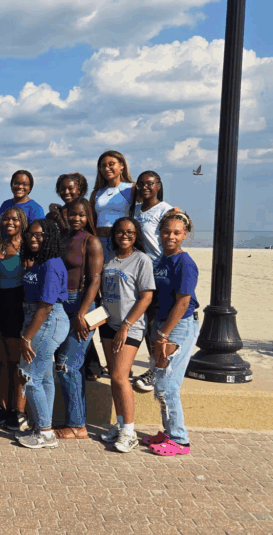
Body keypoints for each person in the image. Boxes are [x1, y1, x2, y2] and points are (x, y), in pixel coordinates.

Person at [142, 212, 199, 457]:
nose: (171, 236)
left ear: (185, 235)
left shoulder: (185, 263)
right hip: (163, 325)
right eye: (166, 231)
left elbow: (183, 302)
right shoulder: (163, 260)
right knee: (161, 383)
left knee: (168, 385)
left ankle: (179, 440)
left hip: (178, 327)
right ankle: (168, 433)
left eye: (177, 232)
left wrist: (163, 334)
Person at [97, 217, 155, 453]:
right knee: (114, 377)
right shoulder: (109, 258)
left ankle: (130, 433)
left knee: (121, 377)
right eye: (120, 232)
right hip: (108, 324)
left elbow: (146, 297)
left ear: (136, 234)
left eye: (130, 232)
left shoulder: (141, 260)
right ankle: (120, 425)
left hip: (130, 327)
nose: (125, 235)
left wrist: (126, 325)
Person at [16, 219, 70, 449]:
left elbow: (46, 305)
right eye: (30, 235)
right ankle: (43, 427)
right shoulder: (40, 262)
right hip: (38, 319)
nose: (33, 238)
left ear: (50, 237)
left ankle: (45, 433)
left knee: (29, 377)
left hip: (47, 320)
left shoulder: (51, 264)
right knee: (44, 377)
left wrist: (26, 337)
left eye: (39, 235)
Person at [53, 199, 103, 440]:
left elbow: (95, 279)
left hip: (83, 304)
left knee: (66, 364)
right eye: (72, 214)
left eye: (81, 215)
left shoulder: (91, 241)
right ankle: (77, 421)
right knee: (73, 365)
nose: (76, 218)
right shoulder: (62, 237)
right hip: (61, 303)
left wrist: (82, 313)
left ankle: (76, 425)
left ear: (88, 217)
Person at [129, 170, 176, 392]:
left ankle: (158, 370)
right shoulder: (135, 211)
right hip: (139, 272)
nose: (145, 187)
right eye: (141, 184)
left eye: (150, 183)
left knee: (157, 323)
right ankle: (154, 367)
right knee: (144, 323)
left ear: (158, 185)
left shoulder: (166, 210)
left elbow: (173, 238)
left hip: (159, 272)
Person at [0, 206, 28, 430]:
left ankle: (18, 411)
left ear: (22, 222)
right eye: (6, 219)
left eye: (15, 219)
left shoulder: (26, 247)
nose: (10, 222)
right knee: (1, 362)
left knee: (16, 363)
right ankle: (2, 408)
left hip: (16, 307)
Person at [90, 150, 134, 260]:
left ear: (122, 165)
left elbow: (148, 206)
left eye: (111, 164)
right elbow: (91, 219)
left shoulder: (131, 188)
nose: (107, 168)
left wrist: (171, 211)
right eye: (103, 166)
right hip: (100, 241)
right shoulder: (96, 193)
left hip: (121, 242)